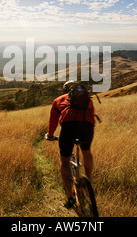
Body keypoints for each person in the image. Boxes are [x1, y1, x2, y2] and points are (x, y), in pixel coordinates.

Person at [45, 80, 95, 209]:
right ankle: (88, 182)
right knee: (86, 151)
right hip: (87, 128)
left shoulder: (58, 100)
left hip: (68, 128)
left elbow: (53, 121)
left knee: (65, 160)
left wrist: (50, 135)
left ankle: (69, 196)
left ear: (64, 90)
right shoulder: (87, 99)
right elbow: (91, 118)